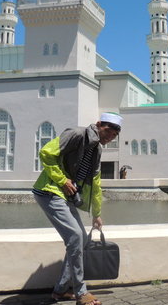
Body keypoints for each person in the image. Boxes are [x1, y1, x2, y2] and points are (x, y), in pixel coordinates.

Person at [32, 112, 122, 305]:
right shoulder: (77, 134)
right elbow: (46, 153)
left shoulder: (96, 149)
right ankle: (81, 293)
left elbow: (96, 182)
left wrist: (96, 214)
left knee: (80, 239)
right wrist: (62, 180)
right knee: (75, 236)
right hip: (49, 191)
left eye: (114, 135)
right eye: (109, 131)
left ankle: (61, 290)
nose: (110, 136)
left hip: (66, 196)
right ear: (99, 124)